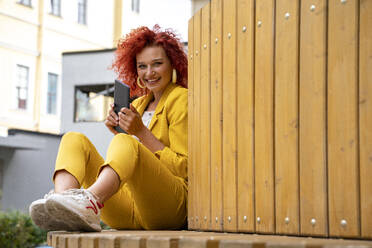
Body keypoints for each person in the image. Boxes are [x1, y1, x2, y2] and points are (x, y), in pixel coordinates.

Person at [29, 25, 188, 231]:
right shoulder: (139, 104)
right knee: (73, 138)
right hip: (129, 207)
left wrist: (140, 133)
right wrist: (120, 131)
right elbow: (132, 157)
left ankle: (90, 201)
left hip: (169, 208)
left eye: (157, 64)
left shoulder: (180, 99)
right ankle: (61, 204)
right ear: (135, 69)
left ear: (173, 65)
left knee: (125, 141)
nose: (149, 73)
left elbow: (185, 169)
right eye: (142, 66)